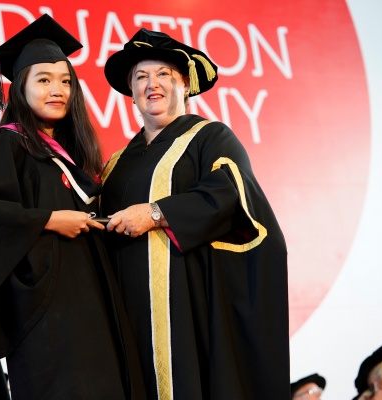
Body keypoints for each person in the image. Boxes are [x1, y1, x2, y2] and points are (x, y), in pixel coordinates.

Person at [0, 14, 144, 400]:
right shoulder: (7, 145)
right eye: (43, 80)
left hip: (93, 303)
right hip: (46, 314)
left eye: (65, 81)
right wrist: (49, 220)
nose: (57, 90)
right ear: (19, 87)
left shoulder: (76, 157)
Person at [101, 28, 290, 399]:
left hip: (188, 309)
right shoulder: (116, 164)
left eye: (163, 75)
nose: (151, 84)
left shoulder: (209, 137)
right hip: (127, 310)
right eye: (141, 77)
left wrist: (155, 213)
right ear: (131, 92)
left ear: (184, 85)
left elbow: (229, 194)